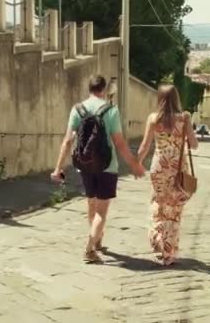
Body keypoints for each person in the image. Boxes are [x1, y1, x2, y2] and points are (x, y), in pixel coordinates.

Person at [51, 75, 145, 263]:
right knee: (101, 211)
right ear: (104, 90)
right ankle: (90, 248)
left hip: (85, 166)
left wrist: (58, 168)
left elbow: (68, 140)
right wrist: (134, 164)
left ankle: (97, 240)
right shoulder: (111, 110)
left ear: (89, 89)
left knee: (91, 203)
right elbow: (119, 143)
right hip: (107, 166)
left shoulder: (77, 109)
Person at [137, 85, 198, 266]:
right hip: (178, 169)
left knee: (159, 205)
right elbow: (194, 145)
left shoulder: (154, 119)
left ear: (160, 99)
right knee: (174, 211)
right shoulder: (185, 118)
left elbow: (145, 146)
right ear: (176, 98)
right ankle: (170, 253)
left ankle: (158, 245)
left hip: (159, 168)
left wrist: (136, 163)